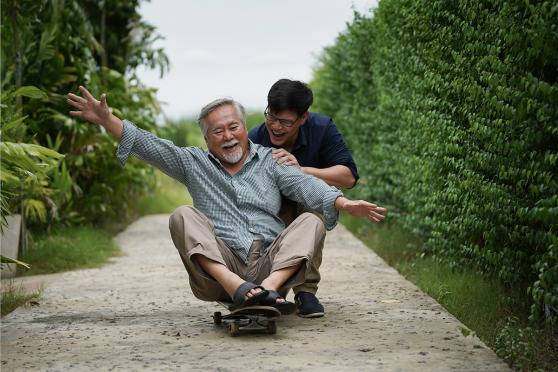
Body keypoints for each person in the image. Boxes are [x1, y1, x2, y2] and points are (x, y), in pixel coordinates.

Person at [67, 86, 386, 316]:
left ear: (246, 130)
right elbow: (148, 145)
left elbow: (306, 186)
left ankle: (270, 288)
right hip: (223, 270)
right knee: (181, 214)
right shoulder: (192, 163)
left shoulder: (271, 160)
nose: (227, 135)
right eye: (217, 131)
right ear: (206, 139)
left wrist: (344, 204)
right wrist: (107, 120)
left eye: (233, 127)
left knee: (312, 219)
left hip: (270, 264)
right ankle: (238, 288)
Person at [249, 79, 359, 317]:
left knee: (313, 210)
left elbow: (348, 177)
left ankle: (305, 292)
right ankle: (271, 287)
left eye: (286, 122)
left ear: (303, 118)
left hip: (309, 200)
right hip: (270, 205)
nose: (276, 127)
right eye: (272, 117)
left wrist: (301, 170)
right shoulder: (255, 137)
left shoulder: (323, 128)